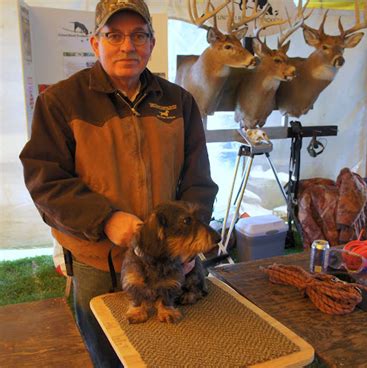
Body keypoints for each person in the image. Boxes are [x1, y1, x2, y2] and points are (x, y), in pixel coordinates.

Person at [19, 0, 218, 366]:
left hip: (170, 263)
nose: (128, 46)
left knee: (172, 351)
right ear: (95, 43)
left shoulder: (179, 102)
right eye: (114, 35)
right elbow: (45, 181)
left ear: (152, 43)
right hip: (99, 262)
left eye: (139, 35)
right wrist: (105, 219)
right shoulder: (60, 102)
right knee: (105, 354)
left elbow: (198, 180)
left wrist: (188, 244)